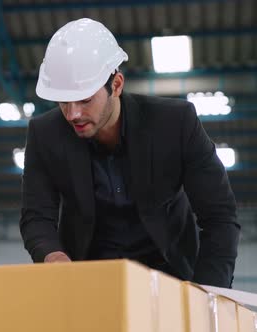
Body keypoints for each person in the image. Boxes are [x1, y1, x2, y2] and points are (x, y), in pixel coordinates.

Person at [20, 18, 239, 288]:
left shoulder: (175, 123)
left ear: (117, 85)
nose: (73, 113)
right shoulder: (45, 134)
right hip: (89, 279)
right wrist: (54, 257)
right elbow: (36, 216)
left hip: (172, 275)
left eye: (85, 99)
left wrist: (209, 293)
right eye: (64, 101)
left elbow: (219, 217)